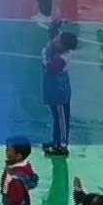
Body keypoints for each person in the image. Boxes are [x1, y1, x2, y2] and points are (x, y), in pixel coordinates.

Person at [41, 26, 79, 156]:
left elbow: (49, 67)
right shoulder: (58, 48)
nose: (55, 41)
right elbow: (53, 37)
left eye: (58, 41)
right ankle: (55, 141)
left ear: (64, 46)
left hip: (59, 94)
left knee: (61, 120)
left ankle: (62, 146)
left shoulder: (63, 58)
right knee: (56, 118)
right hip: (53, 91)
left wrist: (45, 55)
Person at [2, 140, 39, 205]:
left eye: (9, 150)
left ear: (18, 156)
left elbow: (16, 201)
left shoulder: (14, 178)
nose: (6, 152)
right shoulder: (26, 165)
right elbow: (33, 179)